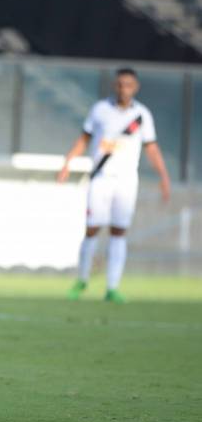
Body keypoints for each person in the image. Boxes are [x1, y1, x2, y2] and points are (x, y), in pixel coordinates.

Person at [58, 67, 170, 303]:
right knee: (92, 228)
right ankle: (82, 280)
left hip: (126, 181)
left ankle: (112, 287)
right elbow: (84, 138)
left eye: (128, 85)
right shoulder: (100, 109)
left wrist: (163, 176)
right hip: (101, 177)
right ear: (114, 85)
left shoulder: (142, 114)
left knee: (119, 231)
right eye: (120, 84)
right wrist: (68, 163)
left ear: (135, 87)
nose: (123, 89)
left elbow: (151, 147)